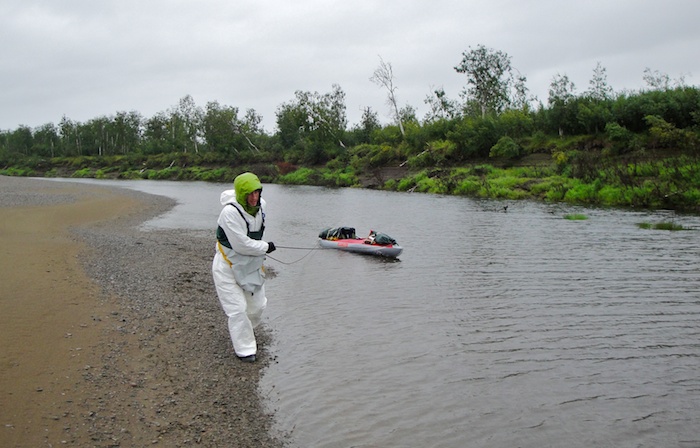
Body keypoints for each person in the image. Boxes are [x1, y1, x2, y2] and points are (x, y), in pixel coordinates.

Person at [212, 172, 276, 363]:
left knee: (257, 306)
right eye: (250, 194)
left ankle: (246, 330)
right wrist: (265, 247)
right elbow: (241, 245)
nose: (254, 198)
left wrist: (262, 249)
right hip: (227, 266)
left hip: (251, 265)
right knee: (237, 309)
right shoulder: (229, 213)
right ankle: (245, 350)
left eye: (257, 192)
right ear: (241, 193)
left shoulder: (262, 206)